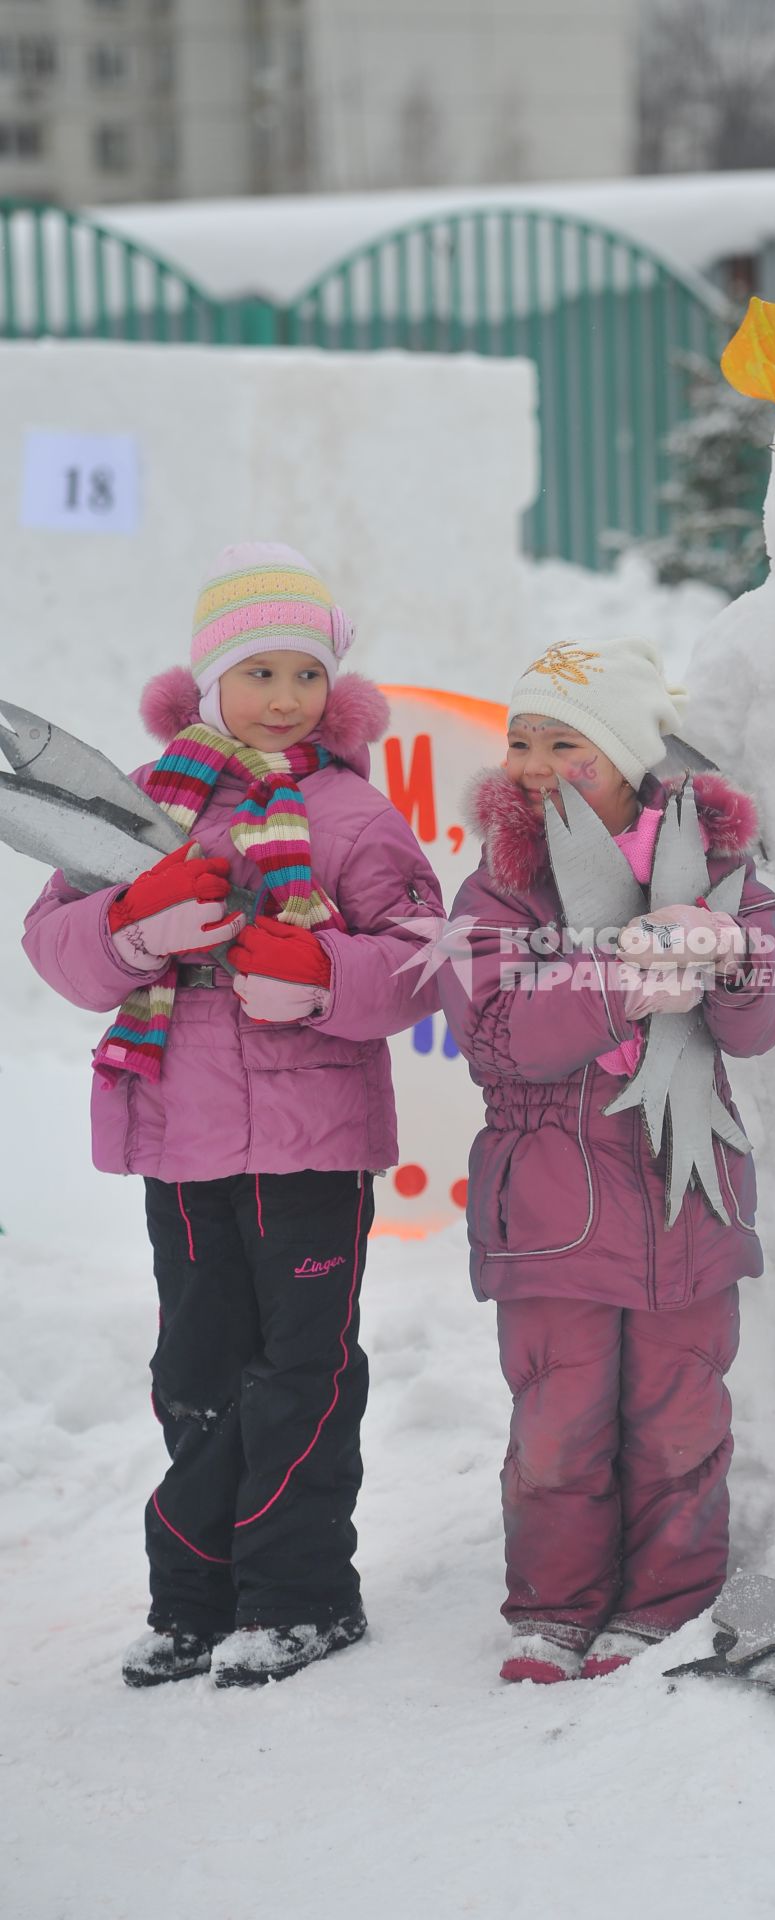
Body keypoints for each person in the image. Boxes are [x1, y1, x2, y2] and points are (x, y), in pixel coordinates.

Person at [22, 542, 443, 1689]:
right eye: (257, 673)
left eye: (304, 675)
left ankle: (300, 1598)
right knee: (196, 1372)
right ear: (207, 685)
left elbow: (420, 963)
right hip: (185, 1143)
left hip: (311, 1150)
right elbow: (58, 948)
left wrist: (320, 973)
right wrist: (136, 927)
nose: (283, 697)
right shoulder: (141, 811)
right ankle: (194, 1601)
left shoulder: (353, 815)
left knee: (298, 1373)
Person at [435, 638, 775, 1683]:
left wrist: (731, 955)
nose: (538, 764)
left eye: (569, 743)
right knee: (557, 1421)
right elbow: (495, 1030)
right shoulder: (502, 888)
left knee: (680, 1411)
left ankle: (663, 1600)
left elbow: (763, 1019)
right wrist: (618, 980)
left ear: (632, 754)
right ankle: (552, 1608)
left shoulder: (718, 870)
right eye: (521, 742)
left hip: (686, 1193)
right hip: (554, 1204)